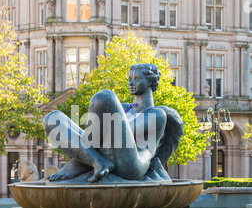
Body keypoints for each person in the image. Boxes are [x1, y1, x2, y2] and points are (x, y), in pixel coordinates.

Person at [43, 64, 183, 183]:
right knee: (52, 118)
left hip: (133, 165)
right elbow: (99, 135)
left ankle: (81, 162)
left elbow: (118, 134)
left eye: (137, 79)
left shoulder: (157, 114)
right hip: (107, 153)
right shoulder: (123, 107)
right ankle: (96, 161)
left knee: (104, 97)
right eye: (129, 79)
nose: (131, 83)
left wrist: (77, 146)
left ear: (150, 82)